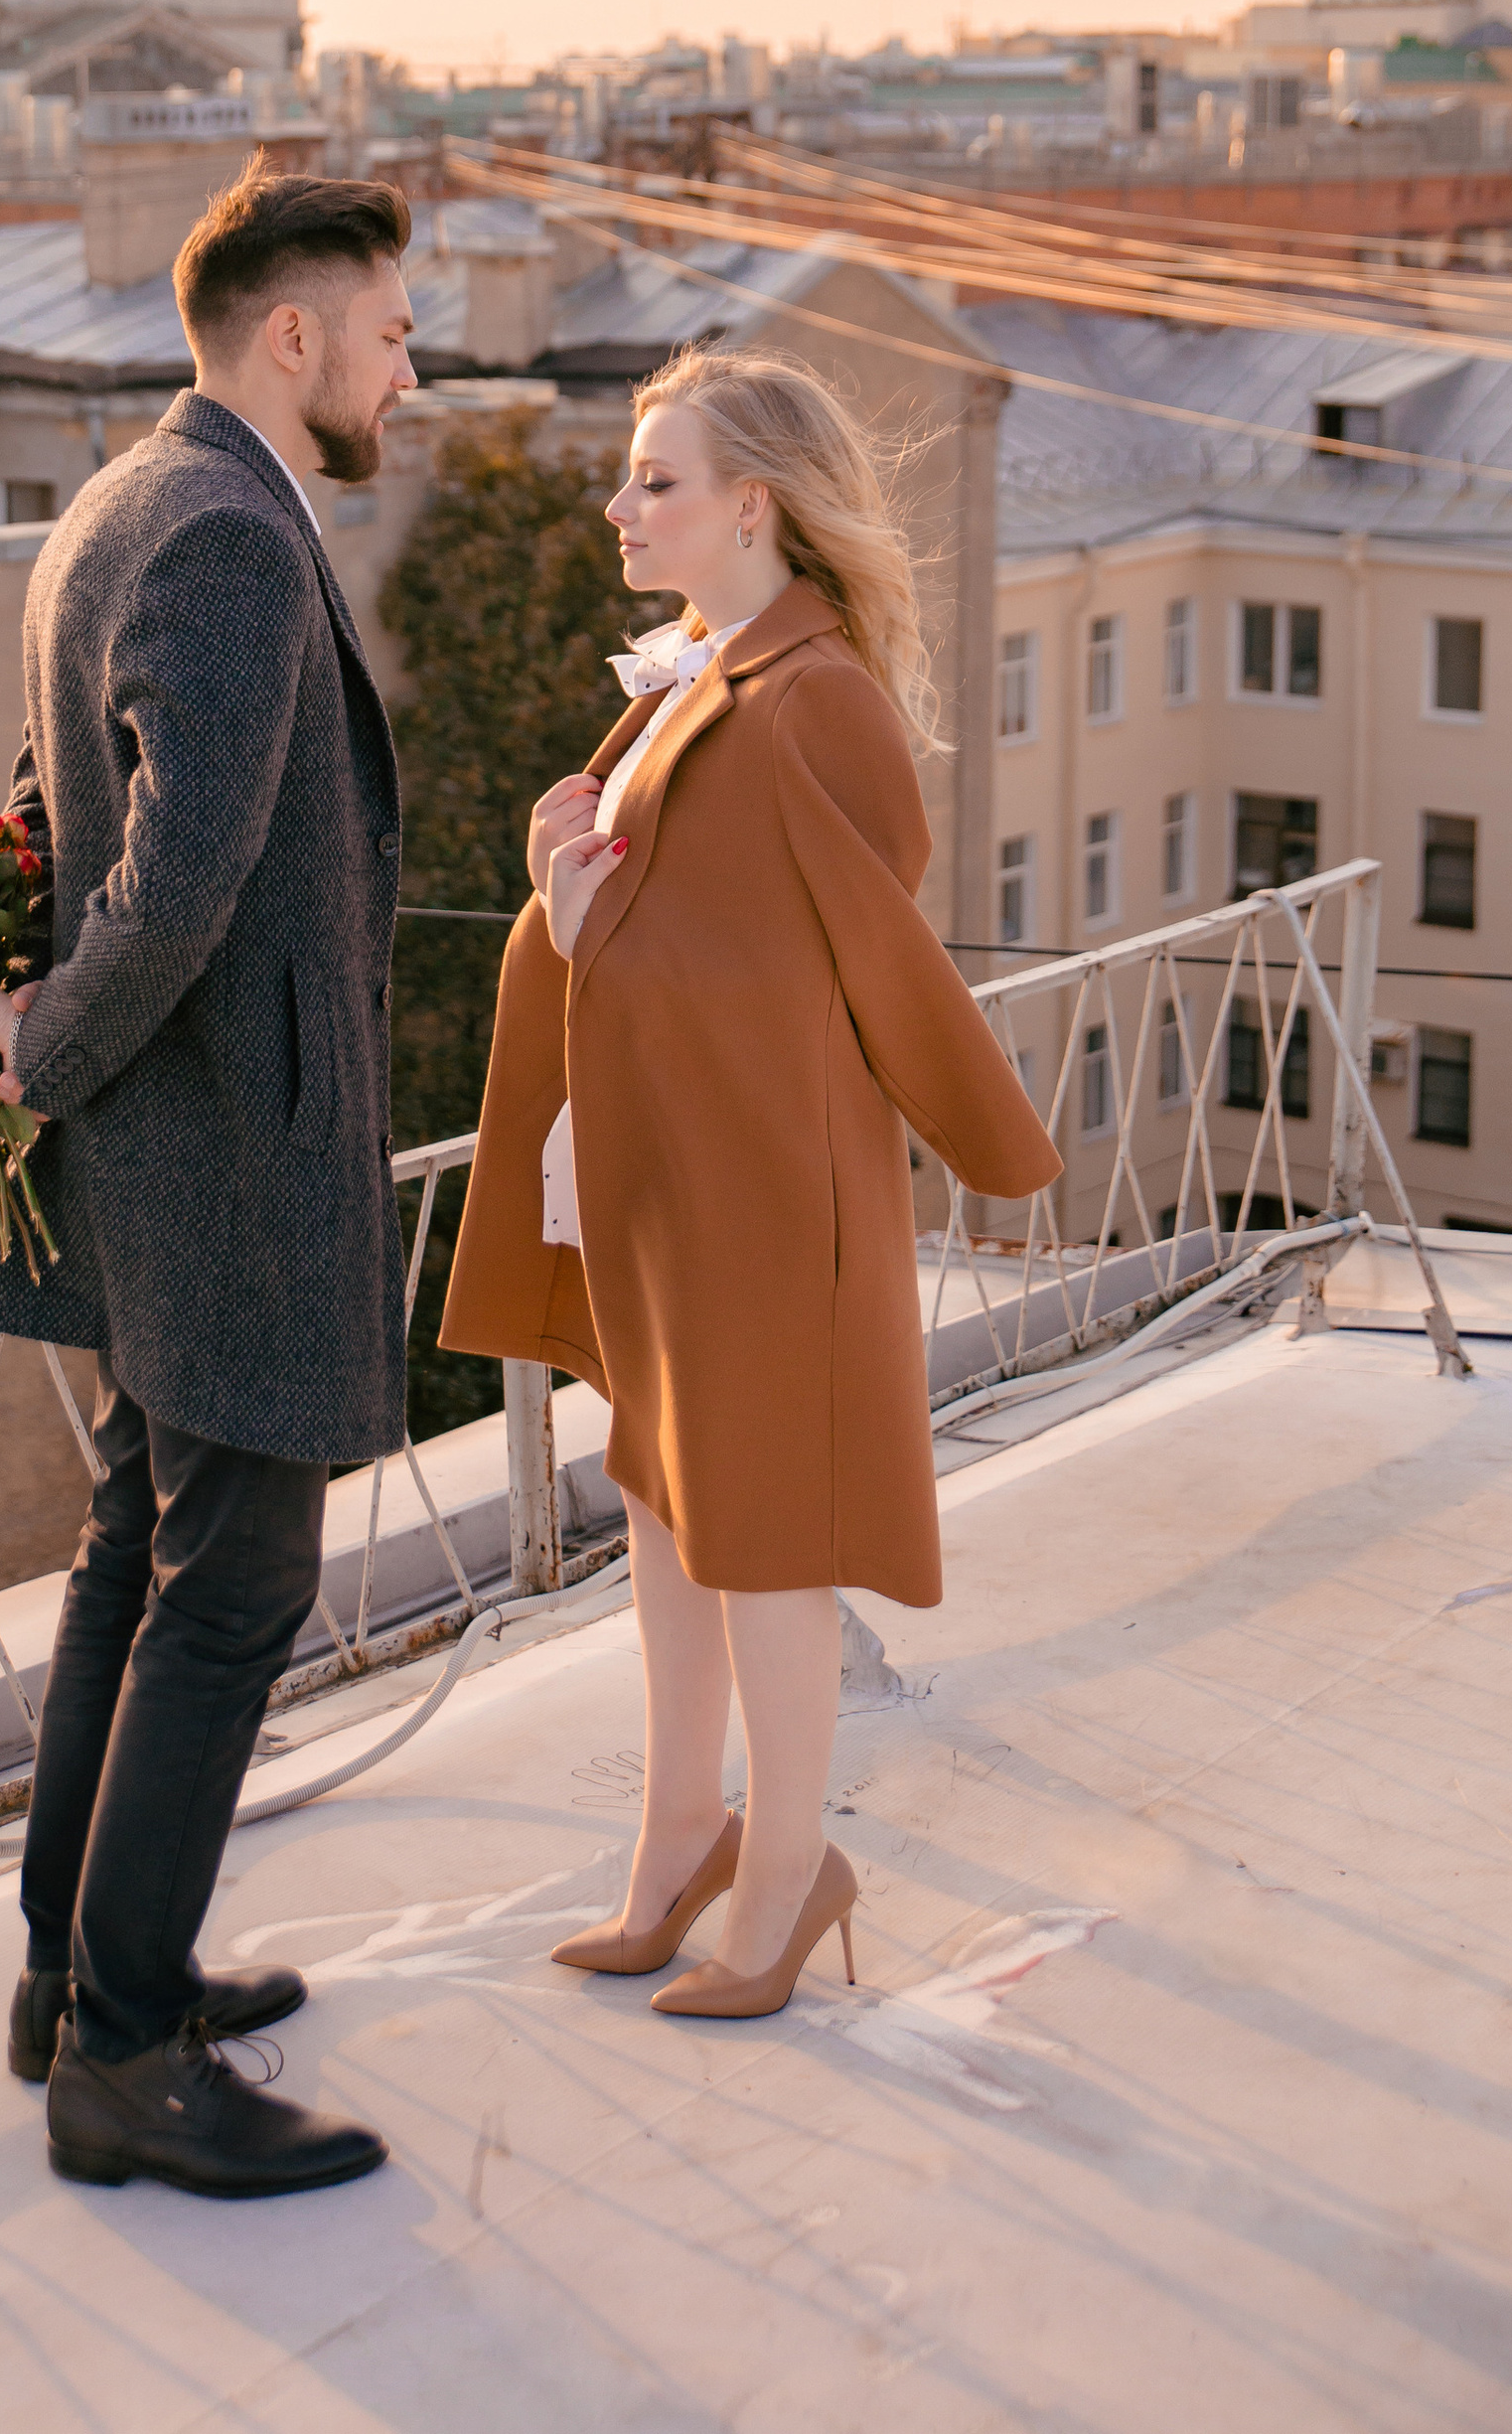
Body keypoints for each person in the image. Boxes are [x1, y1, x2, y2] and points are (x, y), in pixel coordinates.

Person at [0, 157, 417, 2196]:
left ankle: (77, 1972)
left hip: (155, 1155)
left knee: (137, 1553)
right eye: (387, 332)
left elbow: (43, 797)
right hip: (222, 1162)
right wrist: (43, 1036)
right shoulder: (219, 529)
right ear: (289, 337)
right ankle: (122, 2057)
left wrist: (9, 1003)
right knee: (234, 1592)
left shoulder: (122, 503)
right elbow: (172, 869)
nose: (406, 367)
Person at [439, 348, 1062, 2020]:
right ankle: (676, 1845)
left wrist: (596, 927)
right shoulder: (690, 687)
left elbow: (840, 963)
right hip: (667, 1189)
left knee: (767, 1547)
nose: (621, 503)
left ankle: (787, 1876)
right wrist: (558, 892)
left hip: (766, 1199)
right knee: (666, 1519)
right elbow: (665, 925)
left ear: (751, 504)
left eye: (655, 478)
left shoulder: (818, 696)